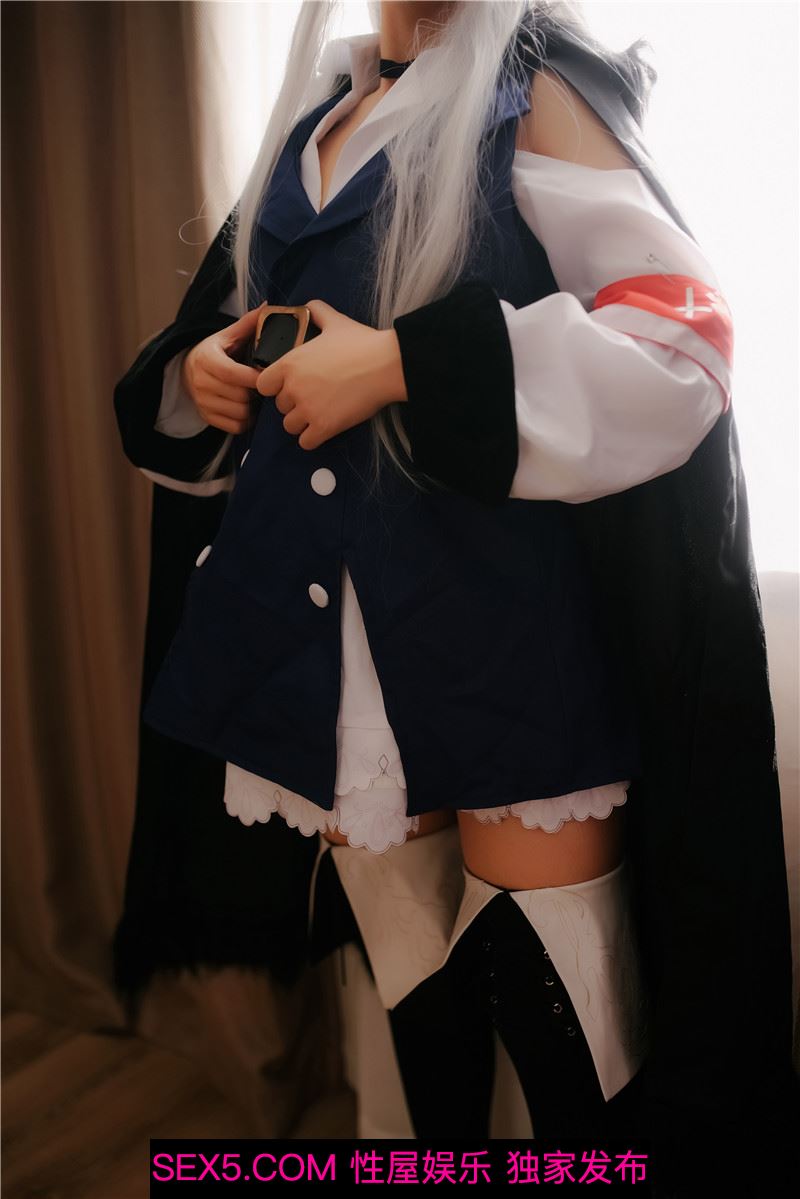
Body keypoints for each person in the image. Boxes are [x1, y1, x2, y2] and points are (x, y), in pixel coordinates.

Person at [113, 0, 799, 1191]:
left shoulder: (534, 91)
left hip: (501, 633)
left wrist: (399, 364)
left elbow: (680, 341)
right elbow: (230, 325)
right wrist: (201, 369)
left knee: (562, 1013)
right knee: (415, 986)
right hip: (334, 646)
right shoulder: (315, 120)